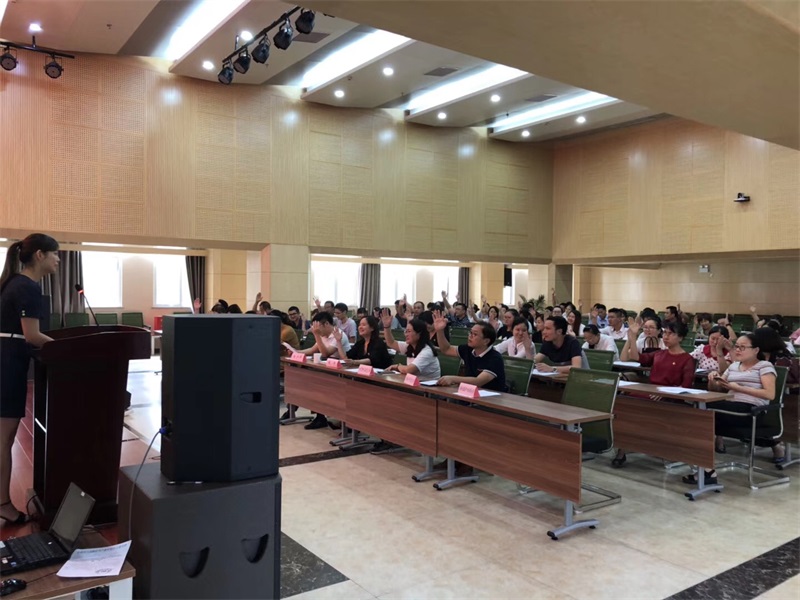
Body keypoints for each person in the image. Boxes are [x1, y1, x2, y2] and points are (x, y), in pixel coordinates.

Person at [0, 233, 60, 524]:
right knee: (4, 439)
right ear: (39, 255)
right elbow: (32, 335)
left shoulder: (14, 282)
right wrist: (65, 348)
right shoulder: (27, 287)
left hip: (7, 360)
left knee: (3, 438)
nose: (58, 260)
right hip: (8, 365)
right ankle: (3, 505)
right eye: (55, 254)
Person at [612, 321, 694, 468]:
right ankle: (622, 447)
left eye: (671, 334)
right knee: (625, 402)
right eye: (665, 333)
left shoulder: (687, 359)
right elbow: (636, 357)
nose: (666, 336)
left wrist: (666, 393)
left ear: (680, 337)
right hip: (651, 393)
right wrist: (632, 337)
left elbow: (686, 387)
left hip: (670, 399)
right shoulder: (659, 354)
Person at [700, 333, 779, 483]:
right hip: (730, 408)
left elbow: (770, 394)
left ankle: (705, 470)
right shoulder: (734, 366)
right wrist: (713, 379)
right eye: (736, 346)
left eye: (743, 347)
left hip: (751, 412)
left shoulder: (764, 366)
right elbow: (717, 390)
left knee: (702, 410)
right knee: (699, 411)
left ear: (756, 350)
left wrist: (738, 388)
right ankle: (705, 469)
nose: (737, 350)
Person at [300, 312, 352, 430]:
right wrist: (295, 352)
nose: (316, 330)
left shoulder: (338, 334)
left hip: (342, 372)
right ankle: (320, 416)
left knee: (317, 384)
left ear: (326, 324)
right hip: (328, 370)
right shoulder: (323, 335)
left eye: (318, 327)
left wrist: (316, 335)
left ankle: (324, 417)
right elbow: (312, 350)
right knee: (310, 381)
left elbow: (325, 353)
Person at [432, 311, 506, 392]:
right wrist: (439, 331)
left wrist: (453, 379)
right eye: (470, 333)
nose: (470, 336)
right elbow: (446, 349)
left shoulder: (495, 358)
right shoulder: (468, 349)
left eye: (475, 334)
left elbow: (478, 381)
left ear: (486, 341)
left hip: (491, 396)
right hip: (469, 392)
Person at [382, 315, 441, 380]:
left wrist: (397, 366)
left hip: (429, 385)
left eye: (409, 331)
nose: (406, 334)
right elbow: (391, 343)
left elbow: (409, 370)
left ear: (419, 333)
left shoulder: (427, 351)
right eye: (406, 331)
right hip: (413, 382)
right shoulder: (409, 346)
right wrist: (386, 327)